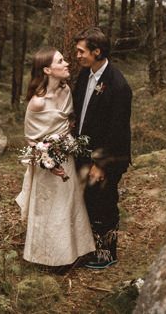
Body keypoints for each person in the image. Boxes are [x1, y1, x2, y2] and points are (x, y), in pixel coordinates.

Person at [16, 47, 95, 267]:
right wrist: (48, 162)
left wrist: (66, 148)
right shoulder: (37, 103)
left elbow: (68, 125)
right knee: (50, 210)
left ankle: (71, 254)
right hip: (47, 164)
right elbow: (31, 140)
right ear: (48, 70)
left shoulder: (66, 90)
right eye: (61, 61)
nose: (67, 63)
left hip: (67, 157)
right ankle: (47, 258)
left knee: (69, 205)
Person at [72, 27, 132, 270]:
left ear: (97, 52)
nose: (77, 55)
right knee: (89, 200)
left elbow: (117, 131)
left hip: (108, 157)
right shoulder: (85, 75)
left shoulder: (118, 86)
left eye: (81, 51)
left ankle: (108, 254)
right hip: (85, 151)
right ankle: (90, 248)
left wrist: (101, 164)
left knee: (105, 202)